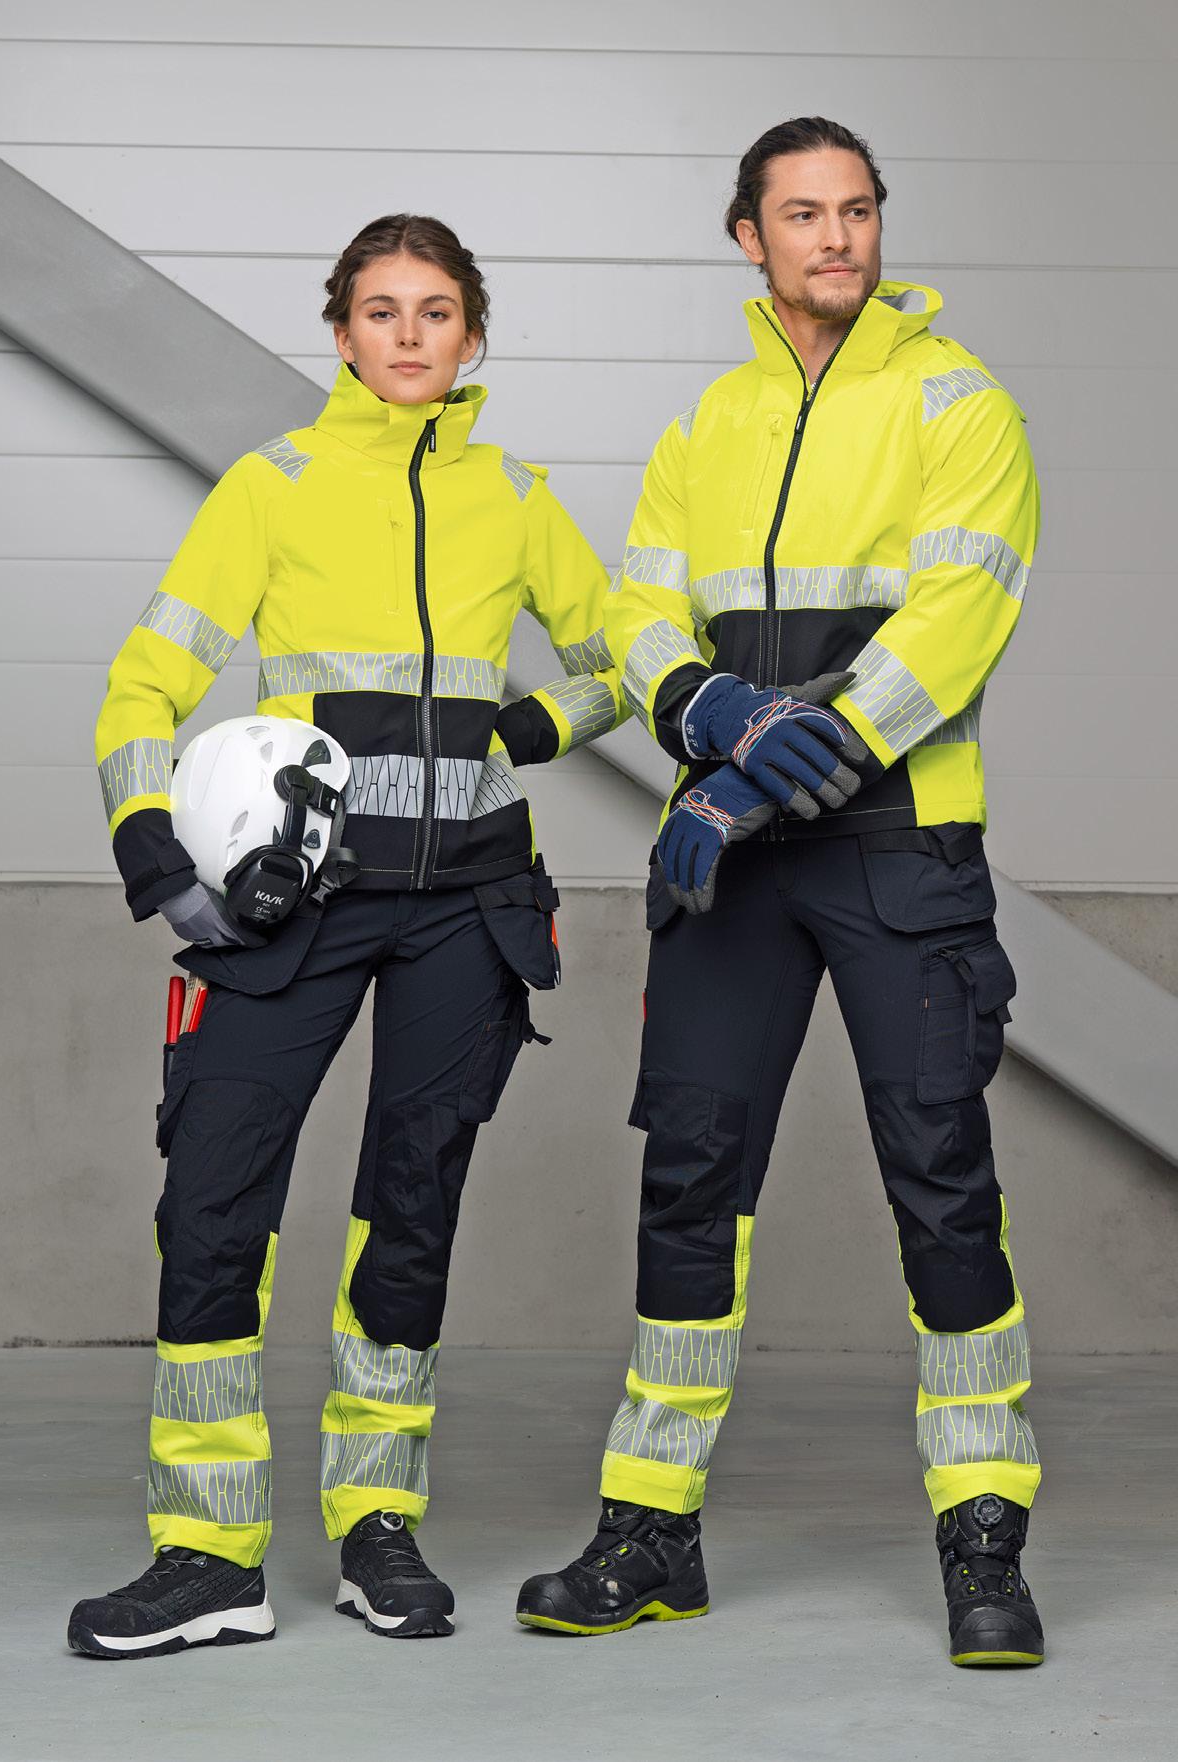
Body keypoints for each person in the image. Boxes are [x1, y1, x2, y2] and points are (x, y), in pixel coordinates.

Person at [516, 118, 1044, 1668]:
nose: (838, 238)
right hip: (731, 872)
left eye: (858, 210)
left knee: (940, 1177)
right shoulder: (710, 423)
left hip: (898, 846)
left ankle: (985, 1537)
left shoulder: (959, 403)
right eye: (804, 215)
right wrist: (703, 707)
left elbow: (953, 622)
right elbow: (637, 609)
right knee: (689, 1176)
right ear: (748, 237)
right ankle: (651, 1530)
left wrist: (758, 773)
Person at [70, 213, 627, 1659]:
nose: (408, 334)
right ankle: (208, 1554)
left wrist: (530, 726)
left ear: (472, 334)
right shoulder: (272, 486)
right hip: (297, 906)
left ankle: (380, 1526)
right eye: (381, 310)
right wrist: (156, 854)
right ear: (341, 333)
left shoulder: (518, 496)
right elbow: (143, 684)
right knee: (213, 1203)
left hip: (469, 907)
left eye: (436, 310)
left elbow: (624, 657)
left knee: (409, 1212)